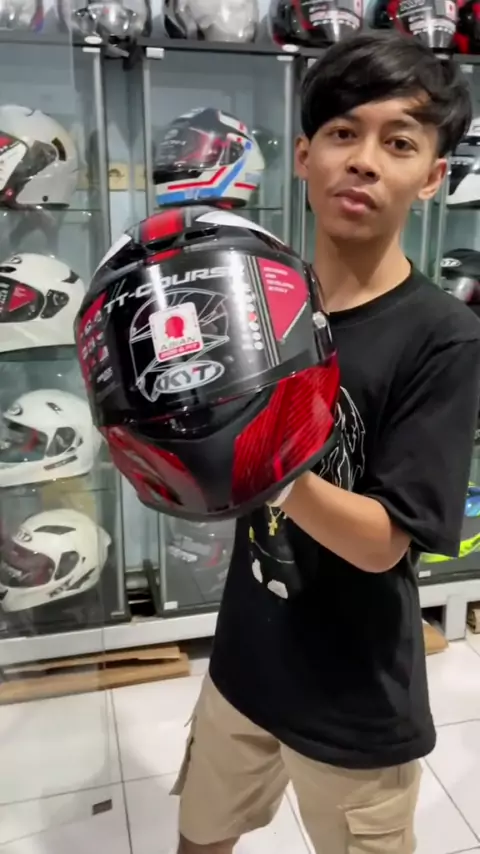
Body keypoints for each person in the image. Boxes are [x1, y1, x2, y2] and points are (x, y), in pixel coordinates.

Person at [174, 31, 480, 854]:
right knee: (197, 839)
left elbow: (385, 543)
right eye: (344, 132)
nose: (365, 161)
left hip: (354, 697)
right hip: (244, 659)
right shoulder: (257, 303)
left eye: (400, 143)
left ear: (432, 176)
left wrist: (263, 453)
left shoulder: (443, 336)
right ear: (305, 156)